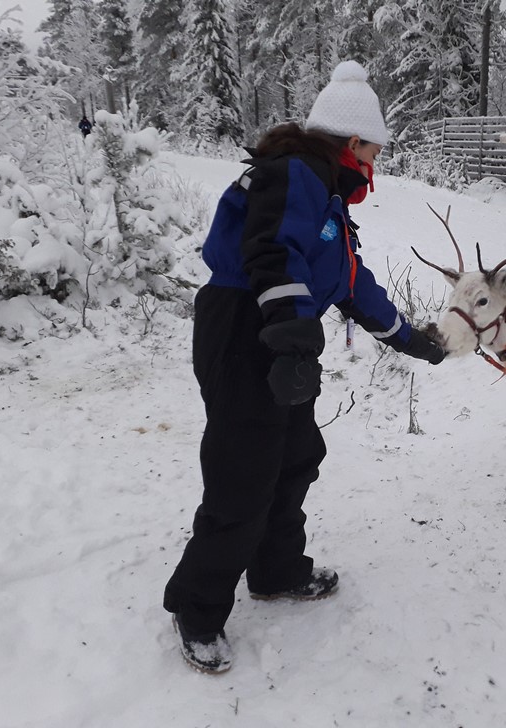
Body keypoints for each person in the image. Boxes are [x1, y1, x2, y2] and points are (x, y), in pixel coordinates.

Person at [163, 60, 446, 674]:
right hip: (246, 328)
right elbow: (270, 249)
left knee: (294, 455)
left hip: (277, 331)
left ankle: (275, 567)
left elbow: (347, 279)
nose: (377, 159)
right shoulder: (294, 174)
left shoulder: (325, 198)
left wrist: (407, 337)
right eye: (374, 147)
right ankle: (197, 604)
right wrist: (291, 337)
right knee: (244, 469)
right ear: (352, 143)